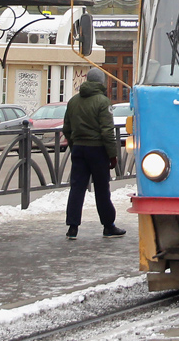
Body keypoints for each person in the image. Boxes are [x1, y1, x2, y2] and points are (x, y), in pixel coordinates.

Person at [62, 67, 125, 239]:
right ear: (101, 82)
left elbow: (66, 129)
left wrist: (74, 146)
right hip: (97, 150)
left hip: (79, 150)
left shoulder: (73, 101)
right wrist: (112, 155)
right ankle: (108, 225)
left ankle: (72, 227)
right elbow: (107, 131)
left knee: (77, 188)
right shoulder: (103, 102)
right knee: (102, 189)